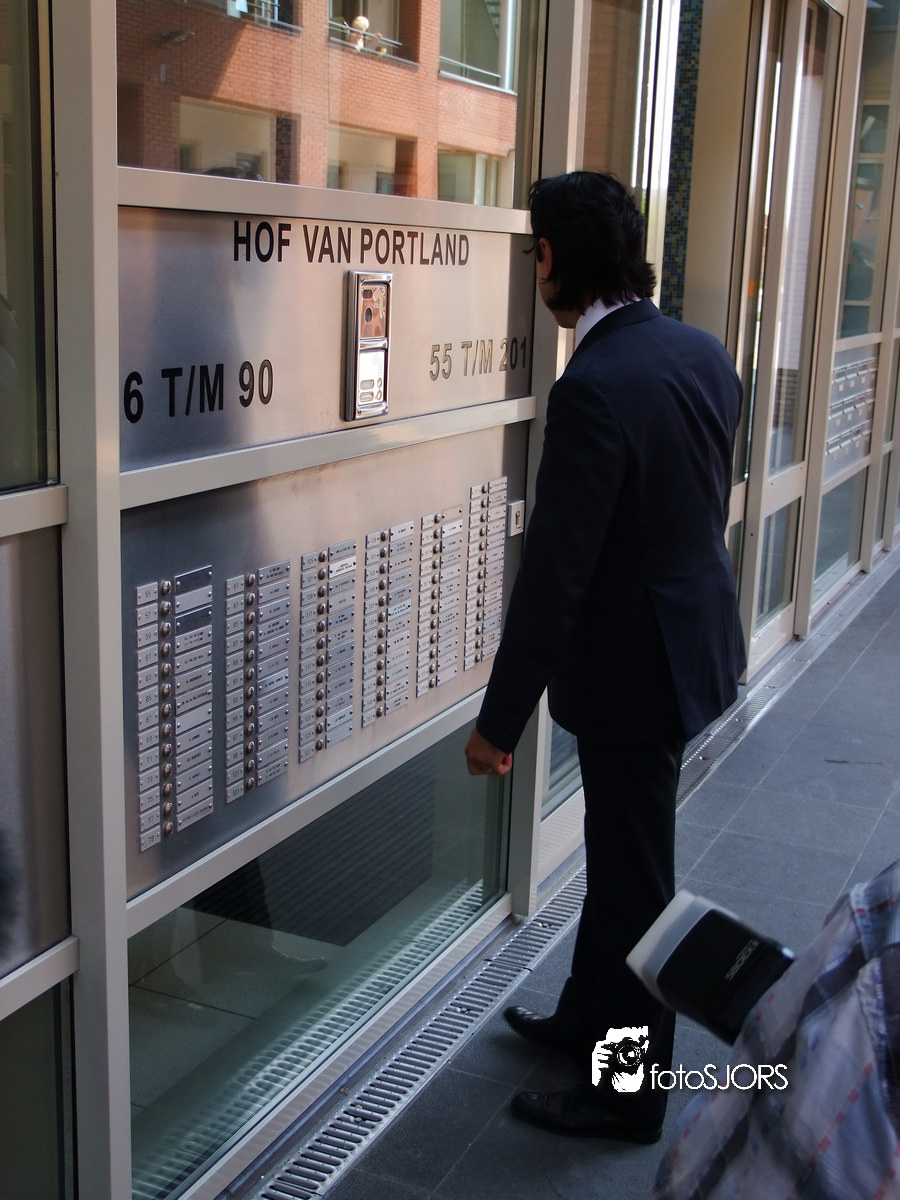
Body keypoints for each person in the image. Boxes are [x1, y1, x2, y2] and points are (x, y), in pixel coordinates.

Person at [464, 171, 746, 1143]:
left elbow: (557, 577)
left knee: (635, 888)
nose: (534, 268)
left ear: (558, 258)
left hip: (637, 675)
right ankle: (587, 1017)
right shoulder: (699, 352)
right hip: (688, 647)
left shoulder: (592, 387)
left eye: (536, 252)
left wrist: (498, 724)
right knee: (622, 862)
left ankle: (626, 1092)